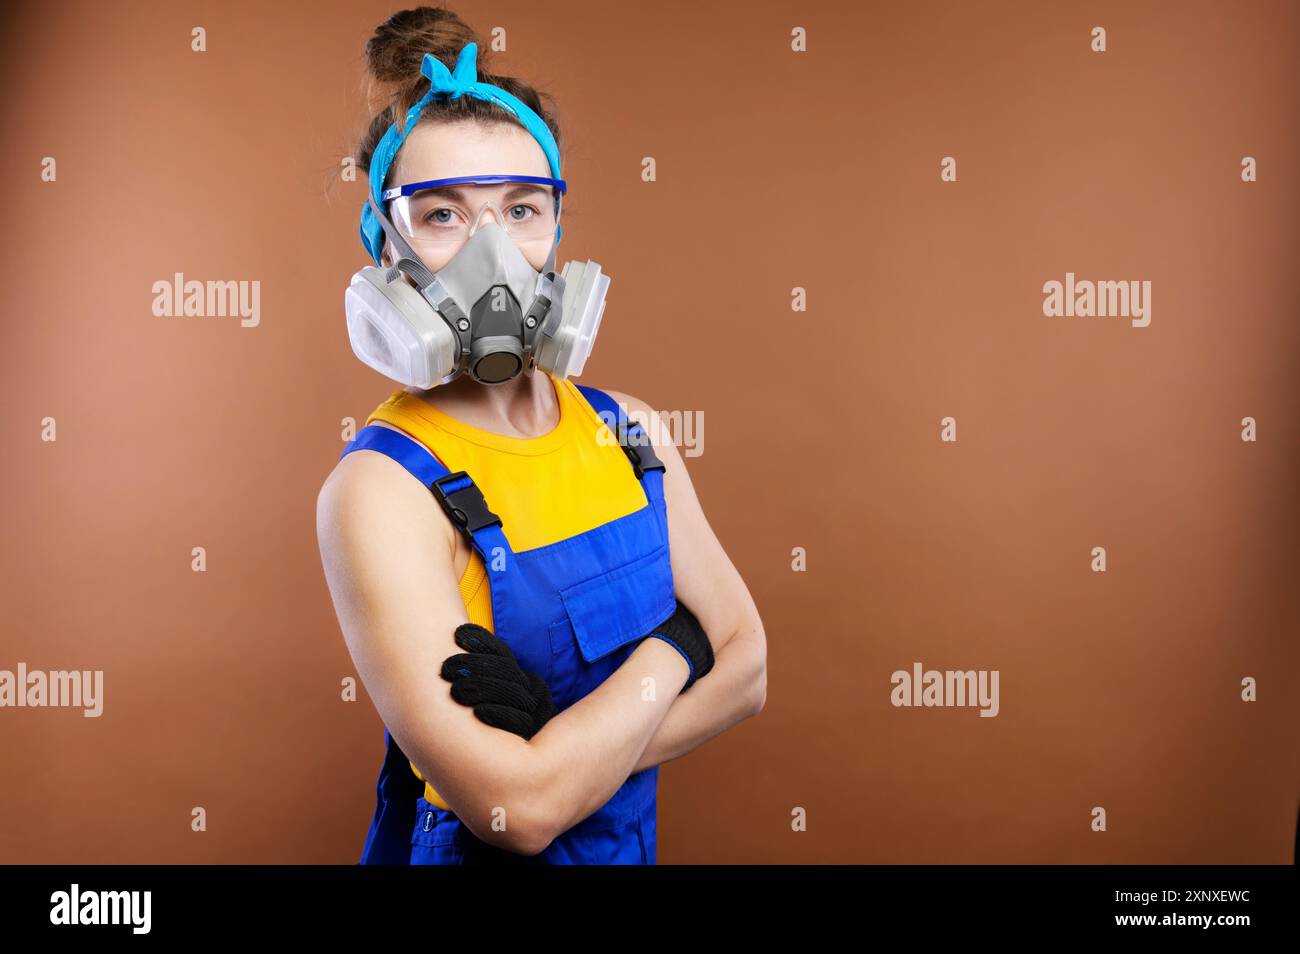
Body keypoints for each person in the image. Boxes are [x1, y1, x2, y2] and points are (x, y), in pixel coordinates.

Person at [316, 5, 766, 865]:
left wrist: (558, 745)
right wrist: (683, 643)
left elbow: (750, 672)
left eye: (523, 208)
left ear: (558, 228)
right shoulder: (379, 491)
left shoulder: (627, 430)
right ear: (385, 242)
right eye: (442, 214)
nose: (497, 253)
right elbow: (514, 813)